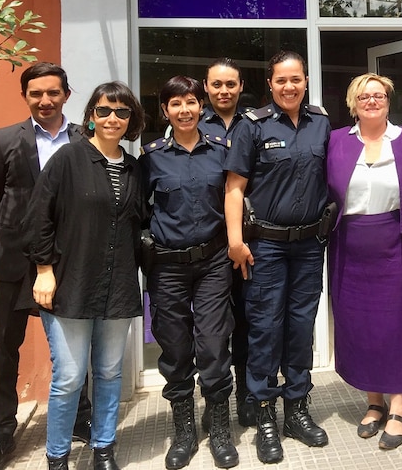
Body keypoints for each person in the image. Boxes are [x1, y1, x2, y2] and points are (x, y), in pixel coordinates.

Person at [24, 82, 146, 470]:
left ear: (132, 120)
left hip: (118, 285)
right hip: (71, 284)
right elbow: (38, 219)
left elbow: (138, 224)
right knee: (71, 376)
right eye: (104, 110)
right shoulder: (67, 159)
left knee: (110, 373)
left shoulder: (132, 168)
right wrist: (44, 270)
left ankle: (103, 447)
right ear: (91, 115)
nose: (113, 118)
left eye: (122, 112)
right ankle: (57, 456)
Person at [0, 62, 92, 470]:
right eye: (36, 94)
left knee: (78, 345)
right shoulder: (4, 139)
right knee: (5, 348)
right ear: (26, 96)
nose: (45, 101)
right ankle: (2, 432)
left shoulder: (86, 138)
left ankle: (81, 418)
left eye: (53, 93)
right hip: (13, 264)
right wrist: (18, 242)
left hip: (68, 263)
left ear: (66, 94)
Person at [224, 50, 331, 464]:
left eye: (296, 79)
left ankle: (297, 410)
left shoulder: (321, 122)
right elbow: (234, 188)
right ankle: (265, 414)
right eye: (281, 80)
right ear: (269, 84)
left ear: (306, 82)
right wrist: (236, 241)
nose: (289, 86)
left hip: (308, 246)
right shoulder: (253, 126)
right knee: (266, 328)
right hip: (265, 245)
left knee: (301, 328)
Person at [140, 76, 238, 469]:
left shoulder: (221, 151)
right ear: (165, 111)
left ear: (202, 107)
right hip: (167, 266)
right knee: (175, 347)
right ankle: (183, 429)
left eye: (191, 102)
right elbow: (138, 210)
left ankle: (219, 427)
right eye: (175, 104)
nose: (184, 110)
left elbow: (234, 198)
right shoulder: (151, 157)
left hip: (213, 261)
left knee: (214, 346)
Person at [326, 73, 402, 450]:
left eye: (379, 95)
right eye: (364, 96)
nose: (372, 101)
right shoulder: (336, 141)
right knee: (360, 324)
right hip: (349, 244)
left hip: (396, 243)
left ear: (388, 100)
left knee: (397, 324)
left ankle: (398, 406)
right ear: (353, 103)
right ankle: (373, 401)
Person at [202, 57, 256, 428]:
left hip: (250, 242)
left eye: (230, 84)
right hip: (208, 244)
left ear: (240, 87)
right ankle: (214, 400)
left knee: (249, 321)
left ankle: (248, 396)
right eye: (217, 85)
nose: (224, 91)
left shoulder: (255, 123)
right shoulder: (190, 123)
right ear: (206, 88)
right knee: (214, 329)